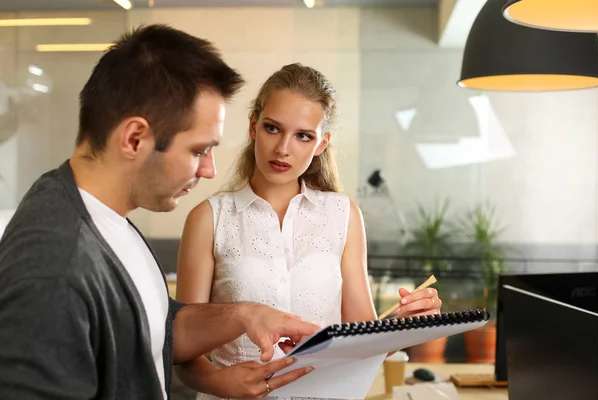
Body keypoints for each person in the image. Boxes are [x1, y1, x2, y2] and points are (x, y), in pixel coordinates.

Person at [0, 25, 321, 400]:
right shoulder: (54, 268)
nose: (209, 170)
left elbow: (157, 326)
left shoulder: (107, 217)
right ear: (134, 138)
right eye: (198, 150)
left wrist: (245, 315)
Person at [176, 63, 443, 399]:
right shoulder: (208, 218)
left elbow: (362, 339)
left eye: (303, 135)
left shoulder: (344, 215)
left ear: (321, 144)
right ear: (253, 126)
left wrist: (406, 326)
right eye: (273, 128)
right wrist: (219, 383)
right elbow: (181, 341)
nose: (283, 148)